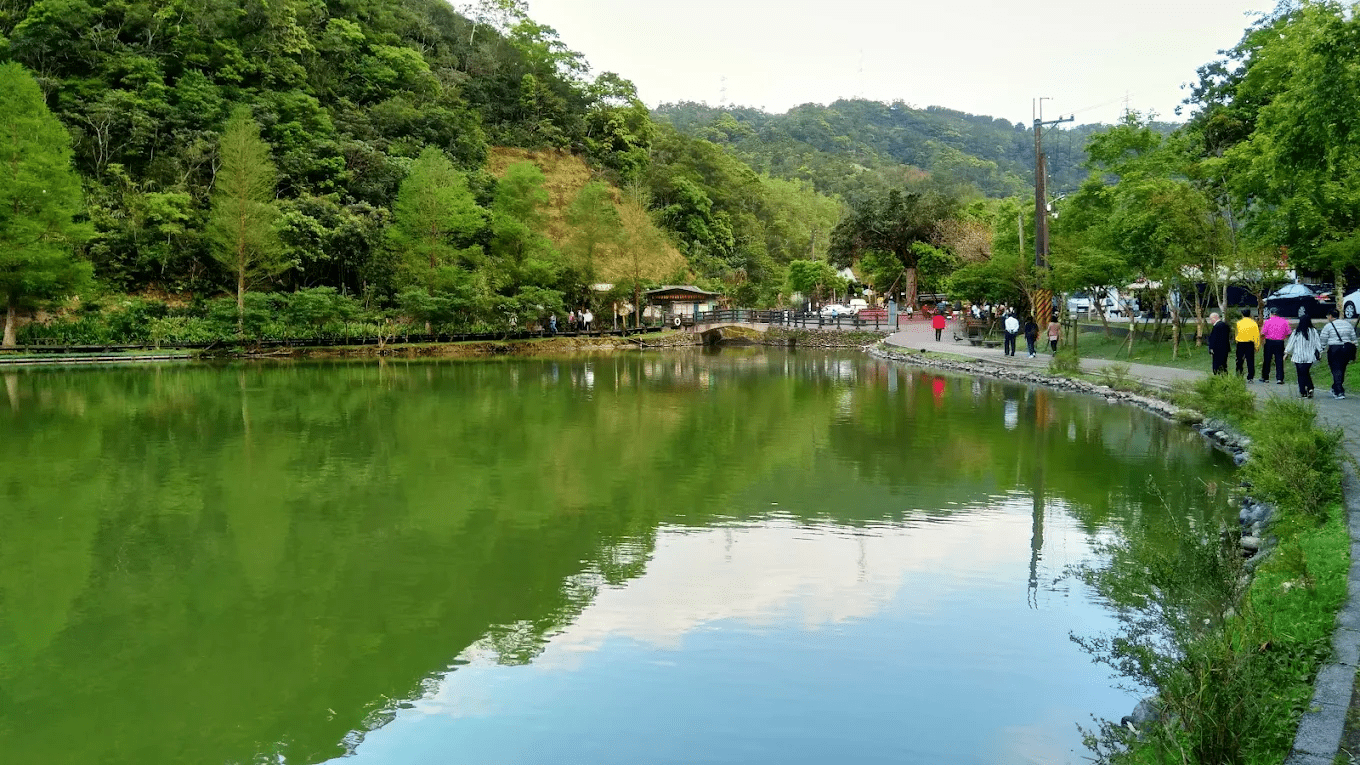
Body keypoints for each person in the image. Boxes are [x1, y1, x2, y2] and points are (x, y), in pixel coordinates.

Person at [1319, 309, 1357, 399]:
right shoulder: (1348, 324)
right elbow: (1354, 338)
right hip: (1346, 349)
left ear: (1331, 316)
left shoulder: (1328, 326)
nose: (1327, 318)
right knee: (1342, 369)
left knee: (1335, 369)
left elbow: (1323, 339)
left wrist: (1320, 350)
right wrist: (1354, 350)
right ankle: (1335, 387)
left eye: (1327, 316)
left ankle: (1339, 392)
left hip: (1334, 349)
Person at [1285, 314, 1322, 399]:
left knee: (1300, 374)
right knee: (1305, 372)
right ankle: (1309, 388)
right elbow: (1317, 343)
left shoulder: (1297, 331)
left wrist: (1286, 352)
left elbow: (1291, 343)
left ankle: (1303, 391)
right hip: (1309, 357)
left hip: (1298, 356)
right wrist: (1320, 351)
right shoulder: (1313, 331)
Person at [1259, 307, 1289, 385]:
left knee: (1267, 360)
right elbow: (1288, 333)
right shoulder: (1284, 321)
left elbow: (1263, 333)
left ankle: (1265, 377)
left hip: (1269, 341)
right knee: (1279, 360)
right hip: (1280, 342)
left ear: (1271, 313)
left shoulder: (1267, 321)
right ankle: (1279, 378)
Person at [1235, 308, 1260, 381]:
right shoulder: (1254, 323)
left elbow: (1236, 334)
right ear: (1250, 314)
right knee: (1250, 361)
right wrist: (1257, 346)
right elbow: (1256, 335)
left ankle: (1239, 375)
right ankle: (1250, 377)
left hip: (1240, 343)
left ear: (1242, 314)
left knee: (1239, 360)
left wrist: (1237, 341)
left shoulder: (1238, 323)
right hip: (1250, 344)